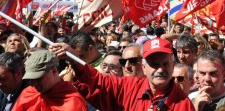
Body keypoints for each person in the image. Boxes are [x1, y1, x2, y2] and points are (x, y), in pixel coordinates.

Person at [51, 37, 194, 111]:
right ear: (144, 67)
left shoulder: (183, 105)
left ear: (173, 65)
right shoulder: (127, 86)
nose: (160, 70)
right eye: (154, 65)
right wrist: (74, 60)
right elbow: (97, 82)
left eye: (165, 64)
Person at [12, 50, 86, 110]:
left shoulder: (73, 101)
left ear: (54, 71)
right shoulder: (28, 93)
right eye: (31, 79)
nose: (33, 84)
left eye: (38, 79)